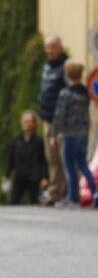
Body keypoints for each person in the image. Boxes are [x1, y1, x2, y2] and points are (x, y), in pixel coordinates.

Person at [49, 61, 98, 208]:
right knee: (83, 164)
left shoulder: (65, 93)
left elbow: (59, 115)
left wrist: (53, 134)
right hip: (83, 132)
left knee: (69, 165)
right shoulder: (85, 92)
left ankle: (72, 197)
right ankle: (95, 191)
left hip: (70, 133)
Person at [37, 35, 69, 205]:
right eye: (48, 47)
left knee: (64, 157)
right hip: (47, 119)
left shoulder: (65, 67)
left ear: (60, 48)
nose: (50, 51)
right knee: (52, 158)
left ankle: (66, 192)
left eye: (53, 47)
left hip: (61, 121)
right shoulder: (47, 67)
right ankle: (55, 191)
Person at [2, 111, 48, 206]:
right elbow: (11, 159)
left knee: (35, 203)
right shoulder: (16, 140)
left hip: (33, 177)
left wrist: (44, 177)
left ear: (34, 124)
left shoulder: (39, 141)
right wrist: (6, 174)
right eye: (24, 121)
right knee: (14, 202)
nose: (26, 124)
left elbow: (42, 160)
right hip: (19, 176)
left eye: (28, 121)